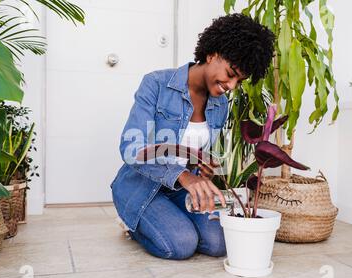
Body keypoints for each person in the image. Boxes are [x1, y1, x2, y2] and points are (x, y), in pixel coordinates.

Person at [111, 13, 274, 260]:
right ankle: (132, 222)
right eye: (231, 73)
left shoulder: (220, 105)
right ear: (212, 55)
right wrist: (184, 176)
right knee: (182, 244)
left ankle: (169, 220)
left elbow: (200, 155)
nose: (231, 85)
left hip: (181, 191)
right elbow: (132, 148)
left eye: (239, 81)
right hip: (141, 187)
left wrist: (205, 169)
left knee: (220, 243)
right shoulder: (156, 84)